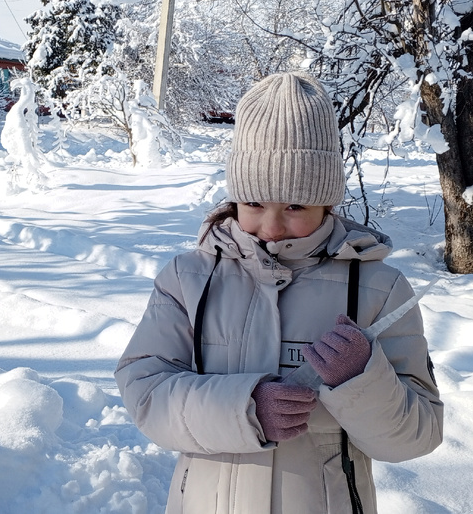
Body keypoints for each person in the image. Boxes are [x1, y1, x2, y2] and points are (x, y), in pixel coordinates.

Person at [115, 72, 443, 514]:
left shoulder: (378, 290)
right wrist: (243, 410)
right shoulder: (188, 278)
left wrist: (361, 378)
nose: (270, 227)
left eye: (294, 207)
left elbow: (417, 434)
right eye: (254, 204)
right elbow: (146, 392)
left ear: (327, 201)